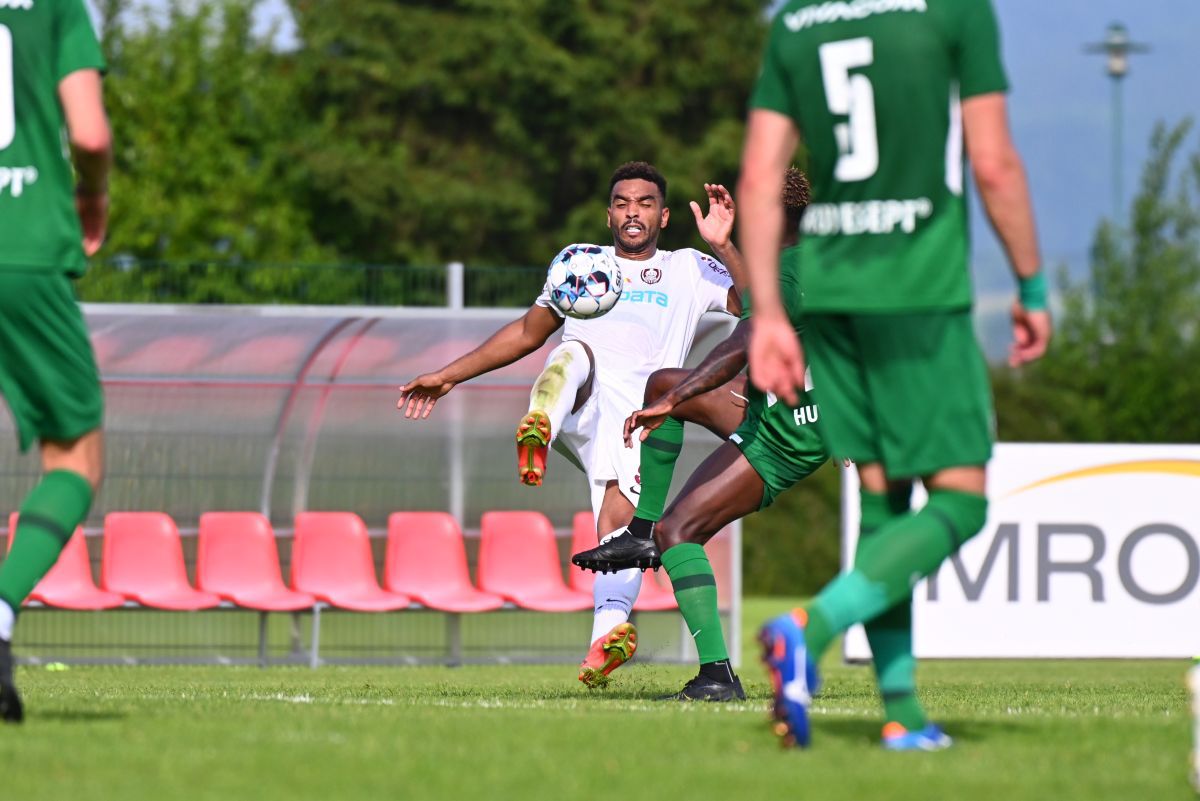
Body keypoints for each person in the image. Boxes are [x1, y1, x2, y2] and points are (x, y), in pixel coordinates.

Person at [738, 0, 1051, 749]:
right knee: (962, 502)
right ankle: (806, 630)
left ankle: (902, 712)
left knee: (882, 509)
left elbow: (758, 176)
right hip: (918, 292)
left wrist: (772, 314)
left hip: (833, 296)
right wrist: (1033, 285)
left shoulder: (798, 24)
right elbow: (993, 162)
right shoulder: (953, 13)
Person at [398, 161, 745, 687]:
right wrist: (449, 376)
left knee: (621, 525)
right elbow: (526, 332)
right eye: (623, 203)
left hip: (638, 422)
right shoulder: (579, 265)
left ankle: (607, 636)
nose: (634, 212)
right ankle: (539, 420)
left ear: (665, 215)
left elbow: (756, 307)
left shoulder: (690, 269)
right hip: (579, 402)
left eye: (645, 203)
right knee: (574, 350)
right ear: (608, 215)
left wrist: (724, 246)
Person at [572, 169, 829, 702]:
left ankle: (717, 675)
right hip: (787, 413)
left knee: (681, 532)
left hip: (787, 436)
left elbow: (739, 342)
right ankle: (641, 530)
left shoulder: (786, 276)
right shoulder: (810, 264)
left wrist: (674, 400)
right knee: (664, 381)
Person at [0, 0, 113, 723]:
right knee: (75, 458)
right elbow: (90, 132)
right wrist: (93, 196)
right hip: (24, 246)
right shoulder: (56, 7)